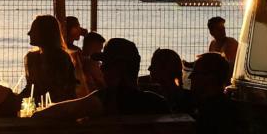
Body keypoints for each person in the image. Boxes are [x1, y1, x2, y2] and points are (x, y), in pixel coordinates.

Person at [33, 38, 169, 119]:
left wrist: (35, 114)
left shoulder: (108, 99)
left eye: (107, 64)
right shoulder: (158, 103)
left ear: (120, 67)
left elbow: (65, 110)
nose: (102, 68)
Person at [22, 15, 77, 103]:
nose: (29, 33)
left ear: (45, 32)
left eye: (33, 30)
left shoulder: (61, 59)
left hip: (59, 109)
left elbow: (60, 92)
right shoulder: (31, 58)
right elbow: (30, 89)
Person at [145, 48, 193, 114]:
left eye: (154, 65)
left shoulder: (155, 99)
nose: (149, 69)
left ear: (165, 69)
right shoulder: (186, 98)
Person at [72, 32, 106, 96]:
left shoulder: (78, 59)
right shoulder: (90, 62)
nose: (100, 52)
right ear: (92, 46)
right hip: (93, 96)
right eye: (99, 49)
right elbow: (102, 83)